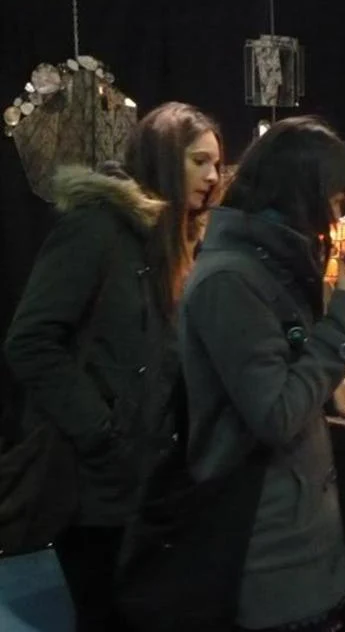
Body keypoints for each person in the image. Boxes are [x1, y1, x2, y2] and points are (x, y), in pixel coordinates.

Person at [4, 101, 222, 631]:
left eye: (217, 163)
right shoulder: (96, 228)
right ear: (164, 159)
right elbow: (30, 341)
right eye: (199, 161)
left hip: (149, 477)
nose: (214, 176)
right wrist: (101, 430)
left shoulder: (177, 239)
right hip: (93, 482)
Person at [178, 116, 345, 631]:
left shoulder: (266, 265)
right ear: (301, 194)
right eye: (333, 201)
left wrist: (328, 388)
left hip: (298, 540)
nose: (336, 217)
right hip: (270, 556)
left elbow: (272, 372)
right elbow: (274, 414)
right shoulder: (231, 279)